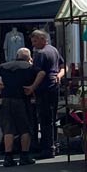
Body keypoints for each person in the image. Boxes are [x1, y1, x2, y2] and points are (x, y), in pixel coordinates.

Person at [0, 46, 43, 166]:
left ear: (17, 56)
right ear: (28, 58)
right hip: (22, 100)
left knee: (8, 129)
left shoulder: (6, 66)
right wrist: (32, 87)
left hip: (6, 99)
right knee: (25, 129)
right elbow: (42, 73)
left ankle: (8, 157)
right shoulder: (29, 67)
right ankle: (24, 156)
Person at [29, 29, 64, 158]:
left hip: (44, 88)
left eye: (36, 41)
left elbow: (40, 73)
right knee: (52, 118)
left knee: (44, 120)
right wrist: (59, 76)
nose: (34, 44)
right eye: (32, 41)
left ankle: (47, 149)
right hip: (54, 87)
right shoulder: (54, 50)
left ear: (44, 39)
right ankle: (54, 145)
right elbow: (63, 66)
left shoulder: (41, 53)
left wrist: (32, 87)